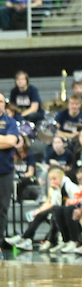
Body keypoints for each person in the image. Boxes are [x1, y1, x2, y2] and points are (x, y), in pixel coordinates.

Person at [0, 93, 16, 261]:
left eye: (1, 101)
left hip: (5, 171)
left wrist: (6, 140)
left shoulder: (10, 122)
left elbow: (12, 141)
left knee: (2, 209)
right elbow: (6, 140)